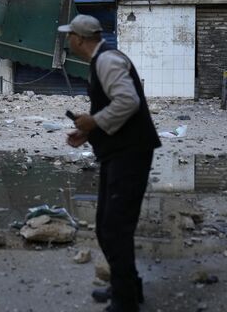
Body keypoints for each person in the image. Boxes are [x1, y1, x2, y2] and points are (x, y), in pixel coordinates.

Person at [58, 15, 161, 312]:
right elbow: (113, 108)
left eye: (70, 36)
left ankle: (125, 301)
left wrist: (94, 121)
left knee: (115, 227)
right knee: (108, 227)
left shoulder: (106, 61)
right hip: (119, 153)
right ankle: (126, 287)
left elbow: (128, 102)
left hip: (130, 154)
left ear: (79, 39)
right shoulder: (101, 61)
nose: (68, 41)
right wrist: (88, 130)